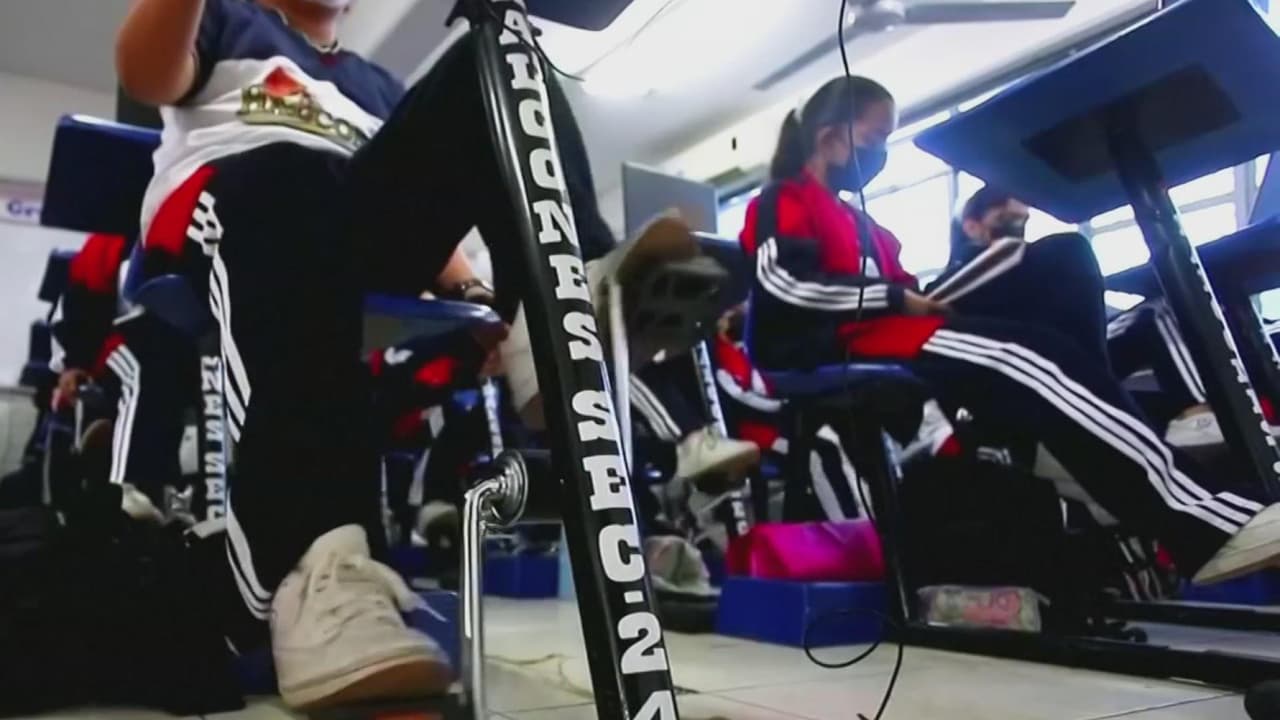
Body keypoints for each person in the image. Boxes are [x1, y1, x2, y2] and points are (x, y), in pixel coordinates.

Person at [115, 0, 614, 708]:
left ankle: (561, 305)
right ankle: (317, 570)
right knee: (293, 172)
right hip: (235, 199)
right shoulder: (232, 17)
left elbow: (413, 199)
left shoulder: (375, 84)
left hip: (341, 224)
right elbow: (145, 76)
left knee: (497, 50)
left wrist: (473, 291)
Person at [739, 75, 1280, 589]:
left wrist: (908, 298)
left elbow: (907, 290)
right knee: (1032, 358)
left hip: (897, 332)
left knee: (1066, 258)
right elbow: (784, 282)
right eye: (874, 137)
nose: (879, 153)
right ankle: (1203, 523)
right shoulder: (782, 200)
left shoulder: (869, 228)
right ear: (830, 136)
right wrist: (895, 299)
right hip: (845, 345)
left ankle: (1081, 437)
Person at [936, 186, 1230, 448]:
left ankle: (1200, 413)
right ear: (971, 226)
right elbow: (937, 304)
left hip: (1077, 361)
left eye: (1023, 223)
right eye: (1006, 222)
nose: (1018, 233)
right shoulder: (953, 282)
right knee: (1071, 249)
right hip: (1026, 376)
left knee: (1154, 314)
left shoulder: (1034, 269)